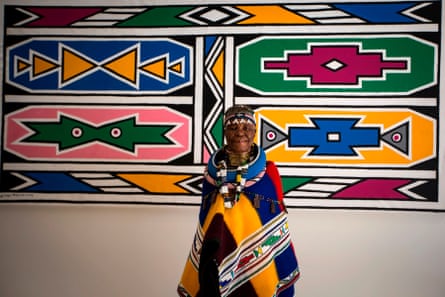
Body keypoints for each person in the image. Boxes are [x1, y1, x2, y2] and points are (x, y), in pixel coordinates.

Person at [178, 105, 300, 297]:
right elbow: (207, 223)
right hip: (216, 260)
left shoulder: (270, 175)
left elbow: (276, 226)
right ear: (224, 132)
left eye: (246, 127)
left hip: (260, 262)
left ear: (255, 132)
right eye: (233, 127)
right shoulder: (212, 177)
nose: (240, 133)